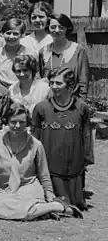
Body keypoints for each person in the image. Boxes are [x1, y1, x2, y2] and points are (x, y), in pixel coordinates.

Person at [0, 104, 81, 220]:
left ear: (27, 123)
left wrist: (50, 195)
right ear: (6, 121)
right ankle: (50, 208)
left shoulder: (36, 145)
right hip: (5, 190)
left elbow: (44, 175)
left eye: (22, 122)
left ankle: (49, 205)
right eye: (13, 122)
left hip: (29, 188)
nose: (17, 126)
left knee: (21, 207)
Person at [32, 67, 91, 210]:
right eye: (51, 83)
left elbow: (86, 135)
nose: (54, 87)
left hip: (74, 162)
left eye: (59, 83)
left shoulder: (82, 108)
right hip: (50, 162)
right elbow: (35, 137)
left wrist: (87, 158)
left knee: (75, 202)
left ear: (70, 85)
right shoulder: (41, 108)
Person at [39, 14, 90, 98]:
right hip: (48, 102)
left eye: (61, 27)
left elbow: (83, 81)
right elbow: (41, 78)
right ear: (48, 28)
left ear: (67, 29)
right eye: (53, 27)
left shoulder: (78, 50)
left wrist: (80, 104)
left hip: (72, 102)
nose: (57, 30)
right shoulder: (43, 52)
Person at [0, 18, 31, 88]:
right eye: (8, 33)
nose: (11, 36)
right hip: (1, 93)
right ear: (2, 34)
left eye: (15, 34)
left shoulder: (29, 54)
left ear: (22, 35)